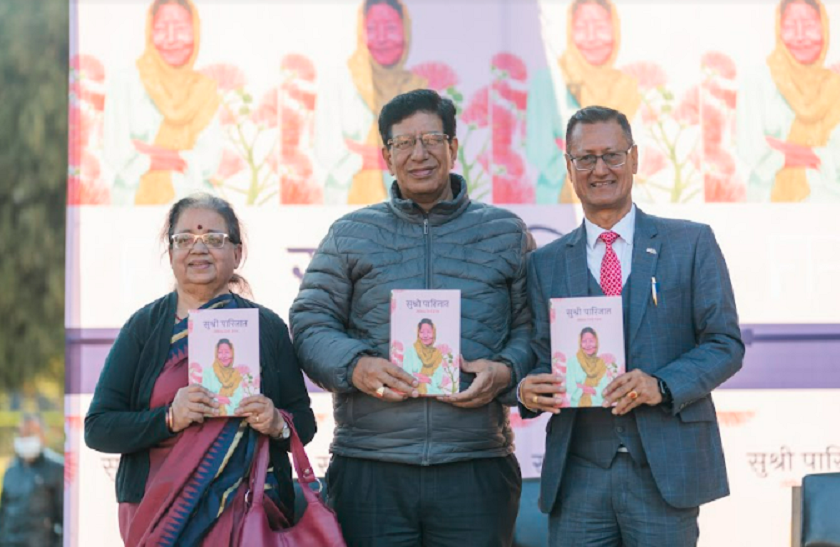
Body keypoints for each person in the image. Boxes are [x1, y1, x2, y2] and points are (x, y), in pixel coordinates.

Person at [292, 89, 533, 546]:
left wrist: (505, 371)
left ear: (453, 148)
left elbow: (531, 327)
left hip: (475, 463)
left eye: (431, 139)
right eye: (403, 143)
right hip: (370, 466)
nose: (418, 154)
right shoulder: (351, 234)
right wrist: (355, 365)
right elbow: (310, 321)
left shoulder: (504, 232)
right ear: (386, 156)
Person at [518, 106, 744, 546]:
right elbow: (536, 352)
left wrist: (661, 384)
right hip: (579, 477)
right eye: (585, 158)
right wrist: (525, 389)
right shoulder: (544, 264)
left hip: (664, 474)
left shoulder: (690, 243)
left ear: (635, 159)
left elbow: (725, 344)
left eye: (612, 156)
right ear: (569, 168)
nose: (599, 169)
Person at [84, 194, 316, 545]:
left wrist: (278, 422)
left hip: (250, 512)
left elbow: (305, 422)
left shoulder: (266, 327)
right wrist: (168, 419)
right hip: (159, 511)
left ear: (237, 254)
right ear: (171, 253)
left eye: (214, 239)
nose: (199, 248)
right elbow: (99, 427)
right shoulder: (143, 328)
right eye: (185, 239)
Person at [103, 0, 224, 206]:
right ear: (149, 33)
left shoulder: (205, 90)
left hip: (194, 210)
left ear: (195, 31)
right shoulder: (124, 83)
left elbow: (209, 160)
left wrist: (150, 151)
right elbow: (117, 152)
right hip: (131, 206)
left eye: (180, 28)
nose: (171, 39)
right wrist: (182, 158)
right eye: (160, 29)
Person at [526, 0, 641, 204]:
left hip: (624, 202)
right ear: (570, 31)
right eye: (581, 27)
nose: (591, 36)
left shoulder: (628, 86)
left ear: (614, 28)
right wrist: (581, 178)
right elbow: (539, 149)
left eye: (600, 26)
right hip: (557, 205)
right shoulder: (548, 81)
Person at [313, 0, 426, 205]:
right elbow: (327, 151)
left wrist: (362, 153)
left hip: (408, 212)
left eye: (390, 28)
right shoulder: (339, 82)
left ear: (405, 31)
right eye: (372, 28)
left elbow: (426, 157)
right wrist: (393, 156)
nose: (382, 38)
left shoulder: (419, 88)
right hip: (344, 207)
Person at [736, 0, 840, 202]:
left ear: (824, 28)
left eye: (809, 25)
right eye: (790, 26)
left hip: (831, 206)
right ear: (778, 29)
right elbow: (751, 149)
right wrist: (819, 155)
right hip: (768, 205)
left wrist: (785, 148)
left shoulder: (835, 84)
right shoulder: (757, 80)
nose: (800, 36)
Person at [0, 414, 63, 547]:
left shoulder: (57, 469)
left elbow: (65, 518)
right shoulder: (11, 470)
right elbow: (4, 512)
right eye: (21, 434)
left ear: (43, 436)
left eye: (30, 433)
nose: (25, 439)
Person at [402, 318, 447, 396]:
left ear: (434, 334)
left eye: (429, 332)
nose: (425, 336)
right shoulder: (410, 351)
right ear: (418, 334)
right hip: (412, 392)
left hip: (434, 393)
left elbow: (438, 379)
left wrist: (428, 379)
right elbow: (406, 374)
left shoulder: (437, 354)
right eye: (422, 332)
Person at [201, 338, 245, 416]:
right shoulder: (208, 373)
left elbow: (240, 399)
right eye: (220, 352)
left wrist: (223, 399)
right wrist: (229, 400)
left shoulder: (236, 375)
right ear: (216, 354)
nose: (224, 356)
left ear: (232, 353)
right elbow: (205, 397)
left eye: (227, 352)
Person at [567, 327, 608, 407]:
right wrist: (594, 390)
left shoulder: (601, 363)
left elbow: (605, 388)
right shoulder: (572, 362)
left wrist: (583, 388)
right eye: (584, 341)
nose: (588, 345)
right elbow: (570, 387)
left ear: (596, 342)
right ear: (580, 343)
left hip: (600, 408)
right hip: (575, 409)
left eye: (591, 341)